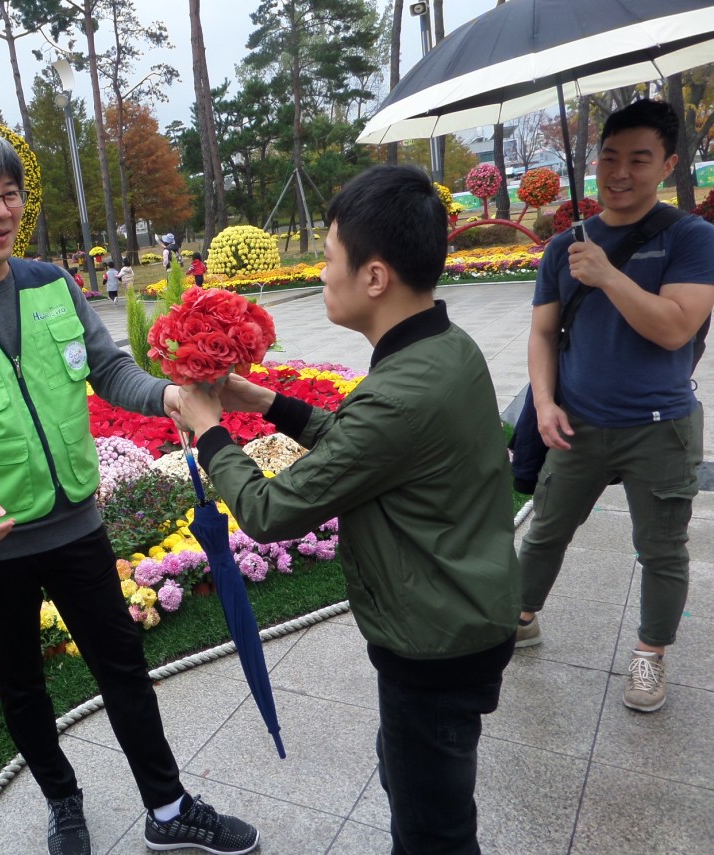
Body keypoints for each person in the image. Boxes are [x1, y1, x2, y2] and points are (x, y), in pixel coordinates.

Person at [0, 128, 259, 855]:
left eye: (11, 194)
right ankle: (62, 799)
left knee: (123, 667)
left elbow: (109, 370)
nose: (1, 211)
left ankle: (169, 806)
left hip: (76, 525)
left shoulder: (51, 284)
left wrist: (169, 396)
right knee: (22, 684)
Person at [178, 165, 520, 855]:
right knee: (414, 784)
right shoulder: (442, 348)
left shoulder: (401, 391)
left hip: (436, 642)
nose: (321, 271)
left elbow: (270, 510)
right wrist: (266, 402)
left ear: (375, 276)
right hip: (456, 616)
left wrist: (209, 430)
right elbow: (367, 447)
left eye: (330, 256)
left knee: (434, 832)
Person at [514, 99, 714, 712]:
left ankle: (650, 654)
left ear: (668, 164)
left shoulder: (691, 238)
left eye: (639, 159)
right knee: (545, 532)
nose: (620, 173)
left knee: (661, 549)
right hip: (577, 423)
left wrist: (608, 275)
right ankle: (519, 618)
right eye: (609, 158)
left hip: (661, 428)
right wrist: (543, 403)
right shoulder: (564, 247)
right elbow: (543, 333)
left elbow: (675, 329)